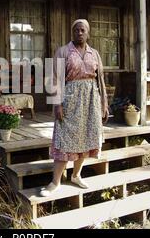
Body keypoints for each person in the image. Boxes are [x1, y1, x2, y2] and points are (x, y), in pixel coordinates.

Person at [40, 19, 109, 197]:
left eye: (83, 30)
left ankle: (76, 175)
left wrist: (104, 104)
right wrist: (57, 104)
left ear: (88, 33)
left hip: (91, 100)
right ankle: (55, 182)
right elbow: (54, 78)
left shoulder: (95, 53)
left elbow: (100, 80)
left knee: (86, 137)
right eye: (76, 30)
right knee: (64, 139)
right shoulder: (63, 51)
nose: (79, 33)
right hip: (69, 99)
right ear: (72, 33)